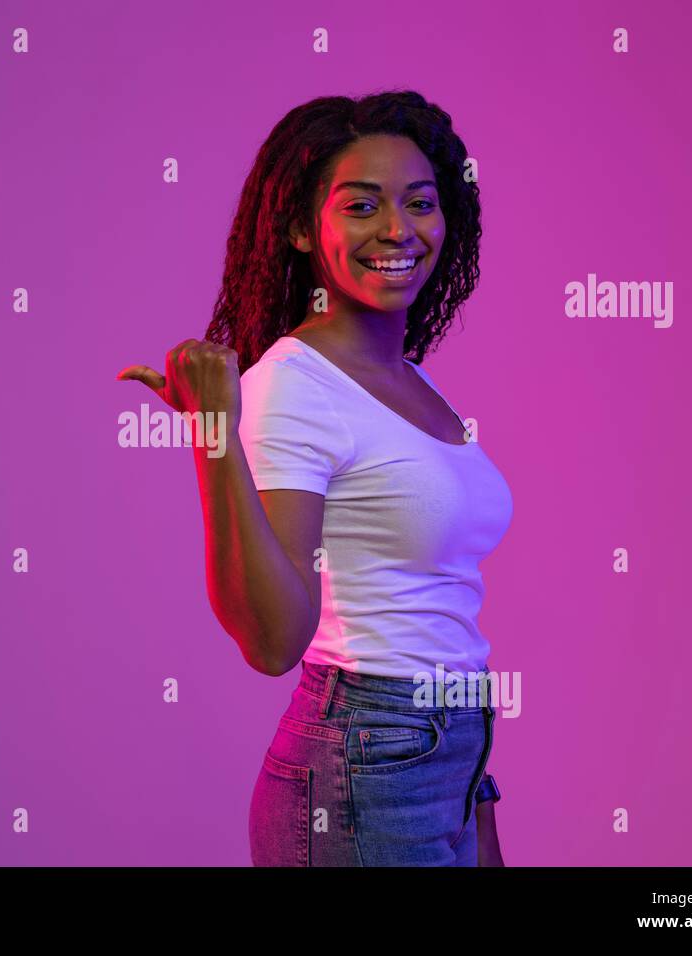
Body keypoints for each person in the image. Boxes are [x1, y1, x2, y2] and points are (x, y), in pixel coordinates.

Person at [117, 90, 511, 866]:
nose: (398, 229)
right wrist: (212, 429)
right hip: (367, 767)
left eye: (420, 203)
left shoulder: (413, 383)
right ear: (302, 227)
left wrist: (477, 794)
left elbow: (439, 613)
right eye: (361, 206)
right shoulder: (295, 385)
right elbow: (273, 641)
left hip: (452, 755)